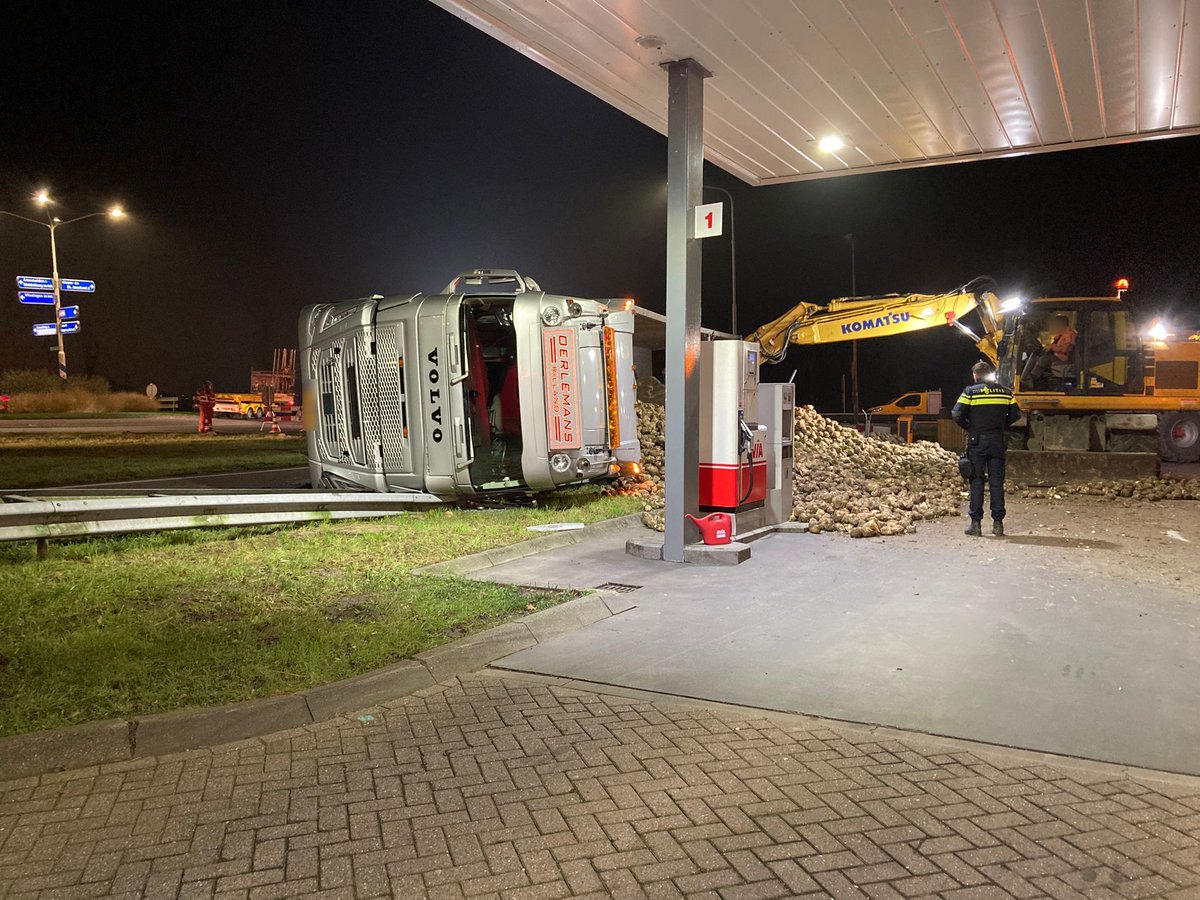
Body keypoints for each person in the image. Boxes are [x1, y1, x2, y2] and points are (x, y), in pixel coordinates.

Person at [952, 361, 1021, 536]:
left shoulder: (970, 392)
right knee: (997, 482)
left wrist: (970, 427)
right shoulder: (1006, 392)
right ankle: (998, 524)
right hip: (997, 441)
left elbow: (956, 414)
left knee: (976, 481)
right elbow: (1016, 414)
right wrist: (1001, 426)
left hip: (977, 443)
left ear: (975, 375)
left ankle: (976, 525)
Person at [1024, 315, 1077, 387]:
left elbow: (1066, 349)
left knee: (1043, 359)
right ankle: (1027, 377)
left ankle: (1033, 378)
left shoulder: (1069, 334)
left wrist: (1052, 347)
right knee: (1035, 355)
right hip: (1056, 355)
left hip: (1062, 358)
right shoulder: (1061, 334)